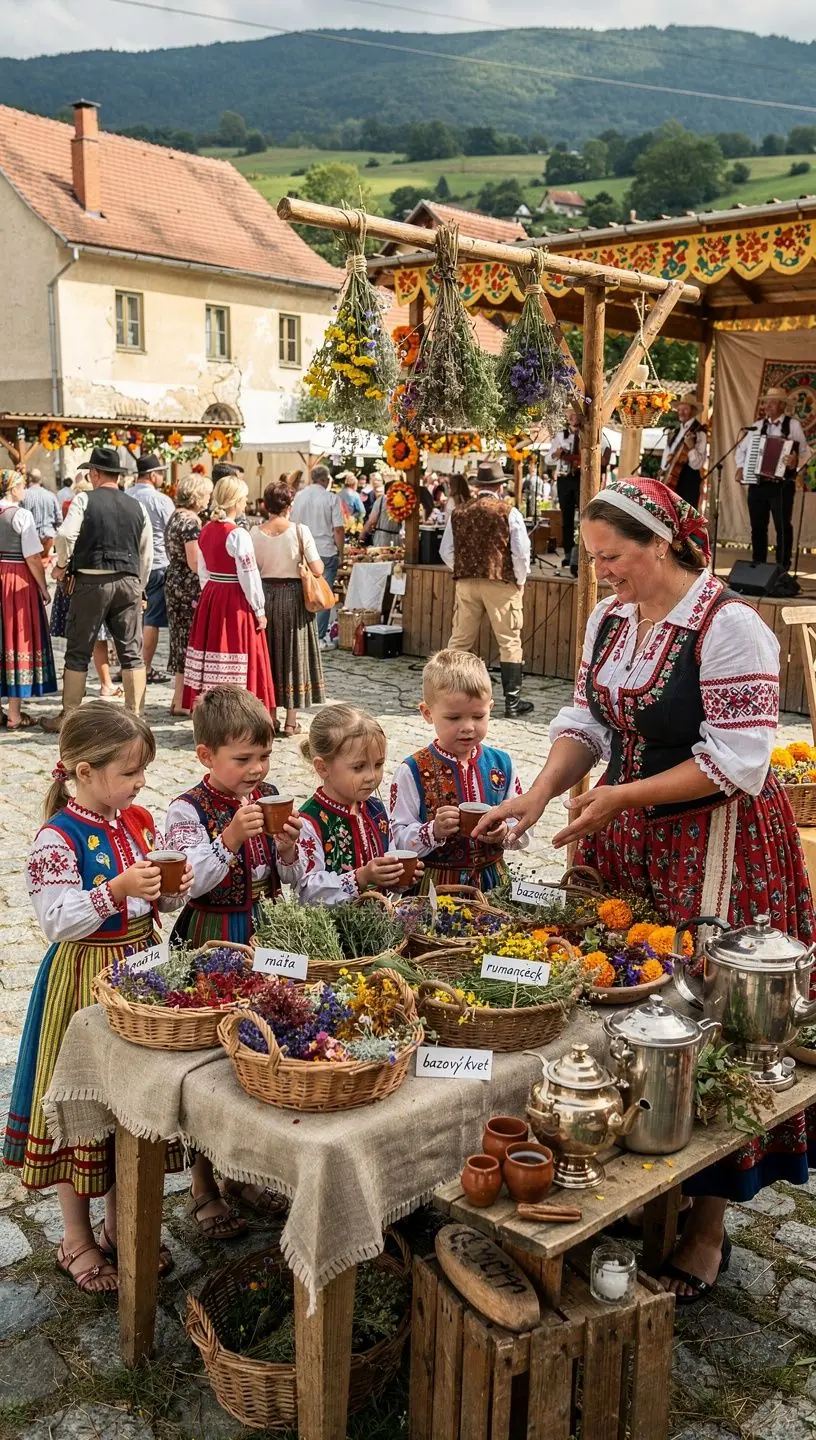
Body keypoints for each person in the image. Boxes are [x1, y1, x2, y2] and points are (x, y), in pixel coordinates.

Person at [478, 476, 816, 1303]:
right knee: (623, 1007)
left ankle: (706, 1224)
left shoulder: (731, 628)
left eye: (613, 557)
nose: (601, 575)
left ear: (660, 543)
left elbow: (736, 762)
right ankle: (638, 1172)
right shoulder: (611, 619)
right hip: (625, 839)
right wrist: (539, 794)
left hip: (716, 844)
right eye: (594, 559)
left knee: (710, 1022)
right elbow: (588, 723)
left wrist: (622, 796)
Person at [1, 704, 214, 1292]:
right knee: (83, 1105)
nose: (140, 782)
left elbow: (151, 902)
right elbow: (56, 919)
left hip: (142, 974)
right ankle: (76, 1236)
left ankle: (123, 1224)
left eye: (143, 770)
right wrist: (115, 890)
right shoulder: (57, 836)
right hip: (85, 982)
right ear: (84, 771)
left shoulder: (139, 821)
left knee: (129, 1106)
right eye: (129, 771)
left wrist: (170, 894)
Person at [165, 686, 302, 947]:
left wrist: (287, 848)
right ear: (207, 756)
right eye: (242, 759)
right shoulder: (188, 809)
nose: (257, 769)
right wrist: (230, 839)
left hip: (271, 923)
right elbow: (190, 883)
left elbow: (292, 879)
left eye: (265, 756)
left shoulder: (268, 795)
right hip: (217, 928)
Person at [389, 649, 527, 892]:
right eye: (453, 718)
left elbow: (523, 819)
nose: (467, 727)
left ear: (490, 708)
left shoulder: (502, 764)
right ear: (427, 714)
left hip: (493, 882)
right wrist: (433, 830)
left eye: (478, 716)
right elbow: (396, 837)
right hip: (436, 887)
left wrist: (504, 831)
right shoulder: (412, 771)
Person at [45, 446, 153, 728]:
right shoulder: (136, 506)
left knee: (79, 649)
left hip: (92, 580)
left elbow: (65, 534)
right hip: (129, 581)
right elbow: (146, 551)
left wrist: (63, 564)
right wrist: (139, 585)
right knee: (131, 650)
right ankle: (136, 715)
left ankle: (69, 716)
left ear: (94, 473)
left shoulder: (84, 500)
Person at [290, 705, 420, 905]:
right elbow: (307, 890)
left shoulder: (375, 809)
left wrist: (397, 877)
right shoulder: (309, 821)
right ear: (322, 767)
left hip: (379, 925)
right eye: (358, 767)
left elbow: (388, 857)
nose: (371, 777)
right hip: (332, 932)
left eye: (378, 765)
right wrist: (361, 878)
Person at [441, 460, 533, 719]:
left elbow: (445, 551)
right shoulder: (509, 512)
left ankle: (450, 696)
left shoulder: (458, 511)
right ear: (499, 486)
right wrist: (520, 579)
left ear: (478, 486)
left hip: (467, 583)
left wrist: (464, 568)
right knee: (509, 641)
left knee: (459, 641)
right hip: (500, 582)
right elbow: (521, 553)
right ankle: (512, 704)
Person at [182, 475, 275, 714]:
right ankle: (237, 708)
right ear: (236, 501)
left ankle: (213, 707)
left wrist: (210, 596)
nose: (245, 503)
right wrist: (259, 609)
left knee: (213, 649)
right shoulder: (237, 534)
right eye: (243, 499)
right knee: (235, 649)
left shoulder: (205, 530)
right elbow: (249, 574)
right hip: (234, 597)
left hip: (213, 593)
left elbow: (203, 570)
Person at [251, 482, 326, 737]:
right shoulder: (299, 530)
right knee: (294, 653)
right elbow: (318, 569)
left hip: (264, 594)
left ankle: (269, 715)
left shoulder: (254, 532)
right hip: (294, 596)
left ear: (265, 505)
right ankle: (291, 721)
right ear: (289, 506)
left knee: (269, 654)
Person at [0, 469, 56, 729]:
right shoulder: (21, 515)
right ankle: (14, 715)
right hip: (15, 580)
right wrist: (43, 588)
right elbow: (33, 556)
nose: (24, 491)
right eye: (21, 486)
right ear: (13, 489)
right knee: (15, 637)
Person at [736, 386, 812, 572]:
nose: (767, 405)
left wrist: (795, 461)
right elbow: (742, 449)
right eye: (766, 401)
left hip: (782, 485)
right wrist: (740, 466)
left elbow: (805, 453)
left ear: (782, 405)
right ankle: (758, 566)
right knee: (758, 527)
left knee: (782, 527)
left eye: (771, 402)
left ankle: (782, 569)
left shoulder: (792, 425)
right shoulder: (758, 425)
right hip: (758, 484)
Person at [164, 472, 214, 718]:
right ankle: (184, 701)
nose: (208, 499)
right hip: (188, 584)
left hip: (174, 579)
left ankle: (178, 698)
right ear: (197, 496)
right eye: (205, 494)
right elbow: (195, 562)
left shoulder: (176, 517)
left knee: (179, 640)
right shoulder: (191, 523)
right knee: (188, 641)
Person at [128, 454, 175, 684]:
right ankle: (144, 667)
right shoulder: (161, 500)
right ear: (153, 475)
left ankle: (128, 665)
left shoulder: (125, 496)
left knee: (130, 617)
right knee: (152, 619)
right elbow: (172, 529)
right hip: (157, 562)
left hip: (129, 563)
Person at [548, 407, 611, 568]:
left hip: (582, 479)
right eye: (570, 416)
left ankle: (586, 552)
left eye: (576, 416)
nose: (573, 419)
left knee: (585, 515)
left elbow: (606, 451)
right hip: (564, 479)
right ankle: (568, 554)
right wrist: (556, 454)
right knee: (566, 517)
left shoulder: (592, 433)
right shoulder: (561, 435)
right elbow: (549, 459)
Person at [290, 465, 344, 644]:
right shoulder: (330, 498)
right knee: (323, 593)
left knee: (303, 591)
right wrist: (341, 551)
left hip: (301, 550)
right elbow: (338, 529)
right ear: (325, 480)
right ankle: (318, 636)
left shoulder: (298, 497)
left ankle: (303, 631)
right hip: (325, 549)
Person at [659, 396, 707, 509]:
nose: (681, 412)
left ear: (693, 410)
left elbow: (697, 464)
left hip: (688, 481)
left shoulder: (699, 432)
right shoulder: (676, 430)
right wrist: (664, 470)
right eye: (679, 409)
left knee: (685, 517)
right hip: (673, 479)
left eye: (685, 409)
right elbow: (667, 455)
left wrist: (691, 448)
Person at [21, 468, 62, 558]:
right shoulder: (51, 495)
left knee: (32, 568)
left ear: (29, 479)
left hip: (30, 538)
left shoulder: (23, 495)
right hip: (49, 537)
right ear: (40, 479)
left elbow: (20, 518)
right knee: (47, 567)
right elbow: (59, 519)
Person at [362, 473, 404, 549]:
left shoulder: (381, 500)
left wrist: (362, 536)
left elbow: (371, 521)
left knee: (381, 556)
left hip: (382, 537)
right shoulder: (403, 501)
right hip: (397, 537)